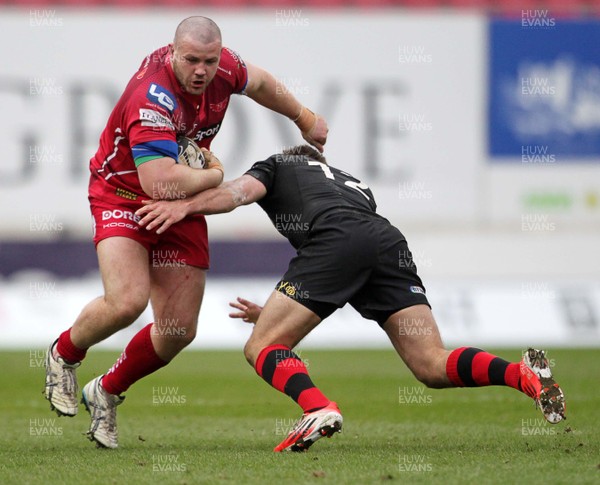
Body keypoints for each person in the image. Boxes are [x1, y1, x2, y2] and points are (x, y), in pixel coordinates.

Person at [136, 144, 566, 453]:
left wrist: (185, 207)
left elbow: (235, 195)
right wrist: (278, 312)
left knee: (263, 346)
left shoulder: (280, 163)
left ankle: (317, 407)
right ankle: (520, 373)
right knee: (431, 363)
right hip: (387, 241)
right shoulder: (353, 184)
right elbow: (341, 280)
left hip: (338, 240)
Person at [43, 16, 328, 449]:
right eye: (192, 60)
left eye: (209, 61)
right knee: (127, 301)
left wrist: (303, 117)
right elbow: (159, 183)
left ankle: (106, 391)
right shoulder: (151, 98)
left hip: (181, 200)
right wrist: (214, 175)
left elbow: (263, 83)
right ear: (173, 52)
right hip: (123, 193)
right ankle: (64, 354)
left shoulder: (224, 67)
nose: (201, 70)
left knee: (178, 330)